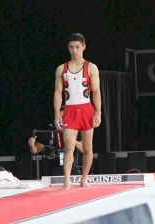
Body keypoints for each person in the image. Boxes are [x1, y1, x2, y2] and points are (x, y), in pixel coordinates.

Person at [53, 33, 101, 189]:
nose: (75, 50)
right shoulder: (62, 69)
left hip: (86, 109)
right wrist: (56, 113)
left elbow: (96, 91)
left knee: (87, 148)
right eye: (72, 47)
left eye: (78, 47)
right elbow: (58, 92)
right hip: (70, 110)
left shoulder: (91, 67)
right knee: (68, 147)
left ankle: (84, 179)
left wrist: (98, 112)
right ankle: (67, 180)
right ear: (68, 48)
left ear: (84, 47)